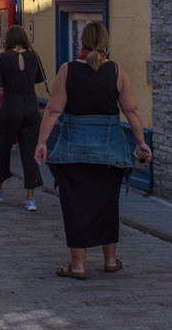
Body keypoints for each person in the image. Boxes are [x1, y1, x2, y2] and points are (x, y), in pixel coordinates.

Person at [35, 21, 152, 279]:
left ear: (81, 41)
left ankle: (77, 266)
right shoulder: (116, 71)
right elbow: (131, 110)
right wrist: (141, 141)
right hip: (109, 154)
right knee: (107, 205)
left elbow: (54, 110)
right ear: (105, 43)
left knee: (75, 206)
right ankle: (110, 260)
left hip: (72, 153)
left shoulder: (67, 70)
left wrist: (42, 142)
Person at [0, 25, 45, 210]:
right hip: (31, 106)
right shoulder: (33, 56)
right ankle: (30, 199)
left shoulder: (3, 57)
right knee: (30, 151)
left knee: (4, 148)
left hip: (10, 105)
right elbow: (37, 80)